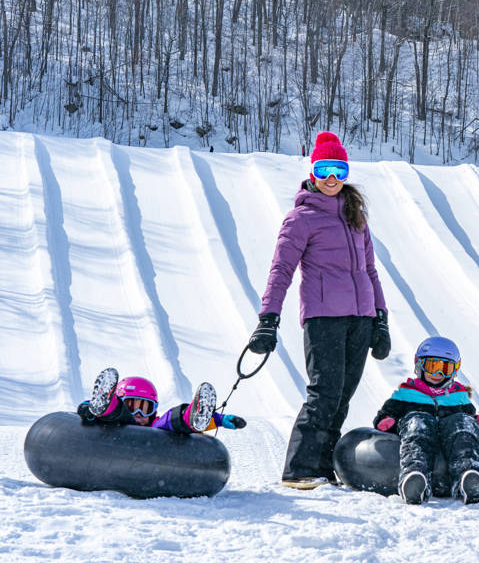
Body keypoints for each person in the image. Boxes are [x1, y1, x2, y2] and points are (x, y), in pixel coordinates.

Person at [248, 130, 391, 490]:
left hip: (360, 318)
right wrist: (268, 319)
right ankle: (298, 469)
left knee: (343, 395)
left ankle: (324, 467)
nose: (331, 179)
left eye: (339, 171)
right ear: (312, 172)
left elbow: (370, 271)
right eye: (325, 170)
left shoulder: (356, 216)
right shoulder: (301, 219)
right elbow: (280, 270)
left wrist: (381, 318)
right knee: (324, 392)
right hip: (324, 317)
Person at [373, 336, 479, 505]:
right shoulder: (406, 395)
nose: (437, 374)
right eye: (432, 367)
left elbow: (470, 420)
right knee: (418, 422)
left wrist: (476, 422)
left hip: (451, 439)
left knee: (462, 423)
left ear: (454, 370)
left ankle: (468, 476)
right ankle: (415, 478)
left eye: (445, 368)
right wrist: (387, 421)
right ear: (419, 365)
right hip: (419, 434)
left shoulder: (459, 398)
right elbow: (382, 416)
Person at [76, 368, 246, 434]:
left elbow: (168, 422)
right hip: (116, 428)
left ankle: (194, 415)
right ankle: (105, 406)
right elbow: (84, 413)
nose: (138, 414)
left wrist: (220, 420)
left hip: (152, 441)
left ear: (153, 410)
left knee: (169, 422)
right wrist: (88, 409)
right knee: (117, 416)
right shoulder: (118, 416)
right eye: (132, 406)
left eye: (144, 408)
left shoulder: (155, 424)